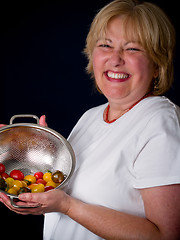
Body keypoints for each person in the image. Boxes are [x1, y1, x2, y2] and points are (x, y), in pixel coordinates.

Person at [0, 0, 180, 239]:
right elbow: (81, 202)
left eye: (133, 48)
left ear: (158, 65)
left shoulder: (160, 122)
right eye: (106, 45)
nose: (115, 59)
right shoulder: (92, 116)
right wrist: (43, 158)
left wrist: (66, 205)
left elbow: (164, 236)